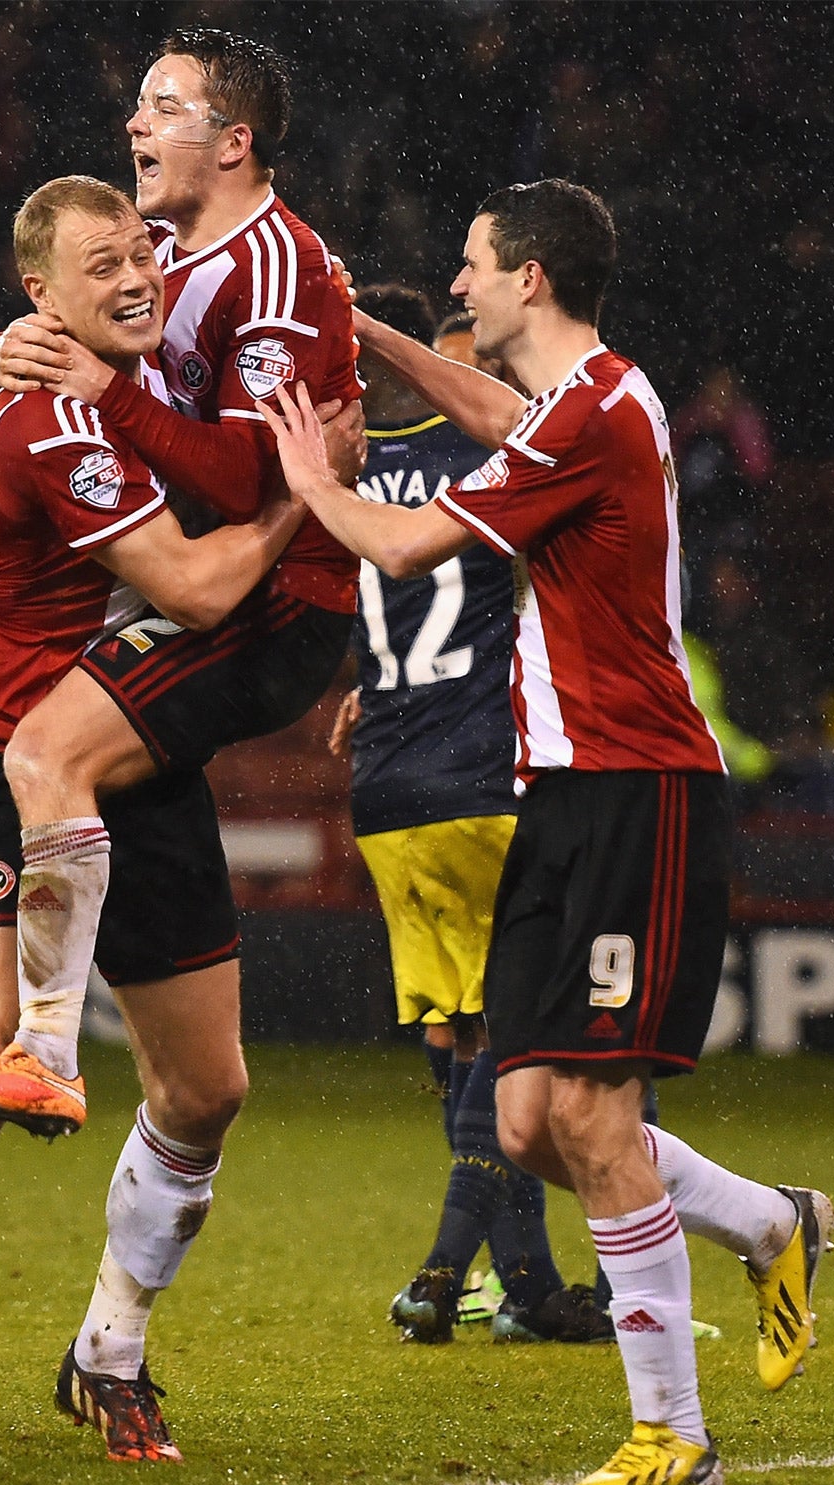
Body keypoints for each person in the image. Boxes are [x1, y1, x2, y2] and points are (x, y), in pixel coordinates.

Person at [258, 179, 834, 1485]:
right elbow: (490, 414)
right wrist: (369, 330)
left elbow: (403, 547)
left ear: (529, 278)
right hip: (561, 798)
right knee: (526, 1121)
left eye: (469, 266)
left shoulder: (599, 410)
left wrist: (308, 484)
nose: (456, 285)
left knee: (590, 1106)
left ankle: (672, 1438)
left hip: (643, 791)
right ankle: (770, 1222)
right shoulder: (580, 407)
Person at [0, 176, 312, 1485]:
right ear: (43, 299)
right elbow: (196, 589)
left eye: (143, 252)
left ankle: (109, 1355)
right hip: (24, 773)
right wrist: (310, 493)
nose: (138, 275)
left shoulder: (143, 396)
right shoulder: (55, 426)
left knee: (207, 1093)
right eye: (103, 264)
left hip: (149, 765)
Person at [0, 28, 366, 1131]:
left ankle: (42, 1047)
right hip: (174, 585)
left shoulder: (278, 269)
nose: (134, 123)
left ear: (233, 141)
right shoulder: (149, 246)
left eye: (163, 105)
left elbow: (250, 474)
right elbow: (67, 357)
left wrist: (105, 391)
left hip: (272, 598)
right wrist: (1, 359)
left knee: (43, 750)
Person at [331, 284, 614, 1348]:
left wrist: (371, 684)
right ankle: (444, 1271)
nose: (481, 381)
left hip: (386, 791)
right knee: (520, 1037)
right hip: (484, 779)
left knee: (458, 1043)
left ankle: (530, 1288)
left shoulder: (358, 469)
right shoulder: (497, 465)